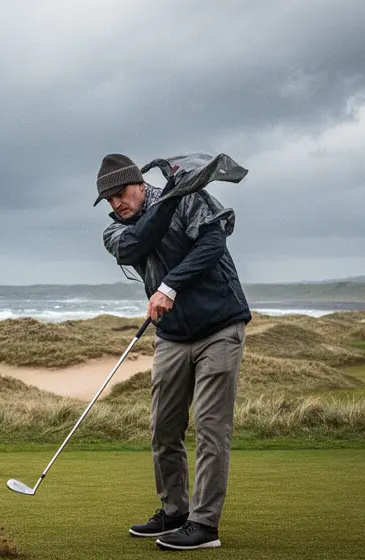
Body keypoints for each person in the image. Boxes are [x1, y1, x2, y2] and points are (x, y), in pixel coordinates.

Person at [95, 153, 251, 551]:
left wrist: (170, 285)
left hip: (220, 326)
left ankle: (203, 525)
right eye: (108, 199)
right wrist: (168, 199)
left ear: (139, 184)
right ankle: (175, 511)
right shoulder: (116, 232)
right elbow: (136, 245)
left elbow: (214, 242)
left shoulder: (189, 198)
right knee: (164, 427)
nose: (116, 204)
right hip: (172, 336)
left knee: (212, 427)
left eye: (120, 193)